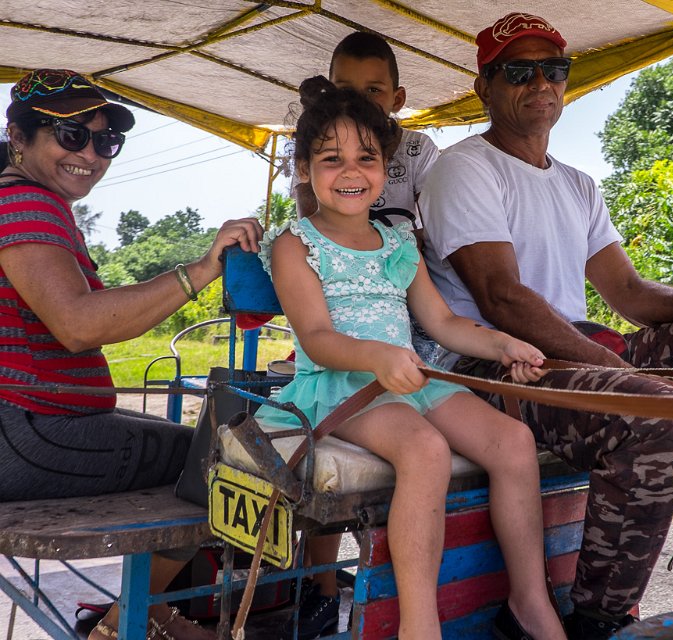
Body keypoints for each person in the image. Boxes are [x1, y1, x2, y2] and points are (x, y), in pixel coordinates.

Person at [419, 13, 673, 640]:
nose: (541, 81)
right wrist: (622, 376)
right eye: (520, 70)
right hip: (497, 365)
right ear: (484, 86)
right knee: (654, 409)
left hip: (577, 352)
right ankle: (597, 618)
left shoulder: (577, 184)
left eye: (555, 69)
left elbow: (628, 292)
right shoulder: (465, 168)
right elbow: (502, 298)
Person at [256, 75, 566, 640]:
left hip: (410, 378)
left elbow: (442, 322)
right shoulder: (294, 244)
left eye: (365, 157)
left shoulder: (399, 241)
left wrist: (504, 344)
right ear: (303, 169)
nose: (351, 172)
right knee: (425, 449)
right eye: (331, 159)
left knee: (513, 442)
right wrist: (376, 356)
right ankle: (419, 627)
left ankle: (530, 601)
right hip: (338, 383)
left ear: (384, 167)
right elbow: (317, 336)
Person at [0, 69, 263, 640]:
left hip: (37, 427)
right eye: (71, 136)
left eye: (105, 141)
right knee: (226, 455)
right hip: (32, 432)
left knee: (197, 442)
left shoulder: (32, 202)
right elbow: (76, 324)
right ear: (18, 138)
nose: (91, 155)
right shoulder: (25, 204)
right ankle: (127, 622)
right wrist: (199, 271)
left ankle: (146, 612)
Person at [289, 32, 440, 638]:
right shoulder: (308, 214)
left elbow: (427, 241)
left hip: (403, 315)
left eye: (373, 93)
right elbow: (315, 229)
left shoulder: (422, 154)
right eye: (346, 91)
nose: (360, 103)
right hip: (344, 346)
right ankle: (320, 586)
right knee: (419, 443)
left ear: (396, 98)